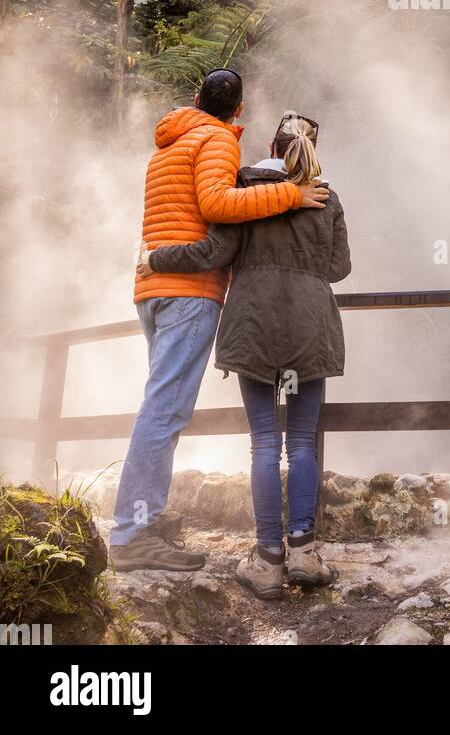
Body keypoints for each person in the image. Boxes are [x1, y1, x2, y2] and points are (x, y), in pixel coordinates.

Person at [110, 73, 330, 573]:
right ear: (239, 109)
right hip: (189, 293)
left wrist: (159, 260)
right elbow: (216, 205)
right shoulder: (216, 139)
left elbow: (182, 215)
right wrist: (293, 196)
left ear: (195, 100)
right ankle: (131, 534)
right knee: (164, 413)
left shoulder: (168, 144)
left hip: (155, 292)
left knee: (162, 408)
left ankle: (146, 516)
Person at [141, 111, 351, 600]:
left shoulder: (244, 189)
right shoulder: (327, 198)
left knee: (262, 442)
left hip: (254, 328)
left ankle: (267, 558)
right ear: (312, 150)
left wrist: (157, 258)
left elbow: (214, 253)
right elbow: (338, 268)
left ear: (271, 147)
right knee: (299, 440)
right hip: (307, 331)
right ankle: (303, 551)